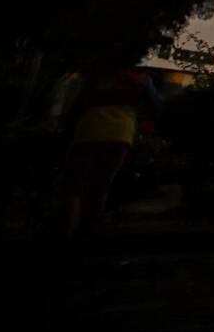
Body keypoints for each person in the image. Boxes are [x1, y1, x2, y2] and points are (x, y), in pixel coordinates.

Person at [59, 53, 163, 242]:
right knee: (100, 187)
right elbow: (159, 106)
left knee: (73, 186)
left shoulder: (97, 81)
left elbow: (76, 109)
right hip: (119, 135)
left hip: (87, 132)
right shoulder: (141, 81)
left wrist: (65, 130)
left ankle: (68, 231)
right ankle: (85, 232)